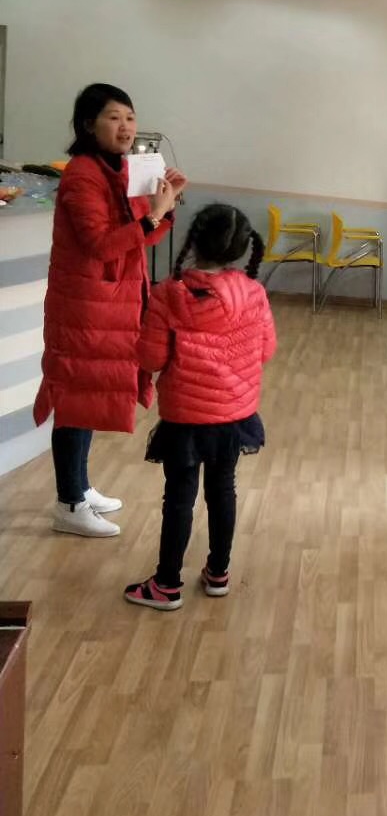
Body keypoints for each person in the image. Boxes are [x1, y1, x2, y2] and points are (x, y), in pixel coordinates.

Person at [34, 83, 186, 538]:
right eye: (114, 117)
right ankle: (69, 503)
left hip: (109, 301)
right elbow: (101, 245)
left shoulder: (118, 169)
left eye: (130, 118)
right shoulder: (83, 174)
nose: (126, 127)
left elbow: (138, 238)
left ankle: (79, 487)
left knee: (90, 394)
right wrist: (152, 215)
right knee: (75, 396)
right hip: (84, 304)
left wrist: (164, 208)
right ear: (88, 125)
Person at [124, 204, 276, 611]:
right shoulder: (254, 294)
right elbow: (266, 350)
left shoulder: (169, 294)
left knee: (179, 496)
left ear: (195, 241)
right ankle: (218, 573)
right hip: (234, 415)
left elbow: (152, 358)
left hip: (186, 418)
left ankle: (166, 584)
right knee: (223, 490)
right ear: (242, 248)